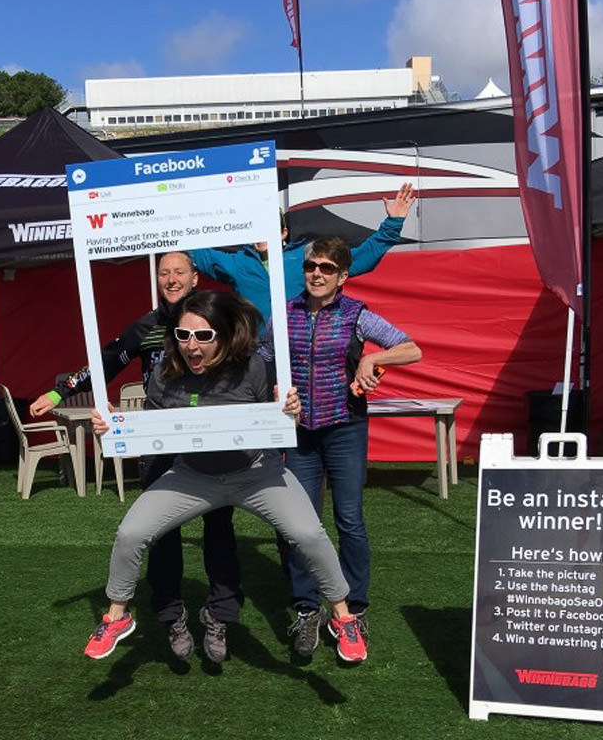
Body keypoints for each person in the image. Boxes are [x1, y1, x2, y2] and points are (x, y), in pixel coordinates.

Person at [83, 290, 364, 663]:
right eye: (183, 336)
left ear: (225, 335)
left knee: (308, 533)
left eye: (203, 336)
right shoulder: (165, 375)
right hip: (192, 476)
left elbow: (278, 425)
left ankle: (343, 616)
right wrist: (114, 429)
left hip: (256, 474)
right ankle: (116, 616)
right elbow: (150, 434)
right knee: (131, 533)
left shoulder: (252, 368)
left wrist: (289, 411)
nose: (191, 346)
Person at [29, 252, 243, 662]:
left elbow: (248, 358)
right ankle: (172, 618)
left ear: (195, 278)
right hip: (160, 442)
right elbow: (104, 362)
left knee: (219, 531)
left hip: (212, 441)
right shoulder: (147, 327)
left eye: (179, 272)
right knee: (160, 534)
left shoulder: (217, 319)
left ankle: (219, 616)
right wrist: (59, 392)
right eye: (164, 273)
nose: (171, 279)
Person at [268, 236, 422, 663]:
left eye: (327, 268)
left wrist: (373, 360)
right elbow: (262, 358)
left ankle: (354, 609)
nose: (317, 273)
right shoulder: (285, 314)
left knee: (349, 519)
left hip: (346, 428)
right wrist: (274, 389)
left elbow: (411, 347)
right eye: (311, 266)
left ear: (343, 276)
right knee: (300, 524)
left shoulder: (356, 315)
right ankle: (306, 608)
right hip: (299, 430)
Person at [187, 183, 416, 326]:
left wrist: (393, 223)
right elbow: (195, 250)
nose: (262, 235)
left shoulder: (305, 257)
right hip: (255, 355)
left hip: (301, 351)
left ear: (284, 232)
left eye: (269, 228)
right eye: (257, 229)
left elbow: (361, 259)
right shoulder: (237, 263)